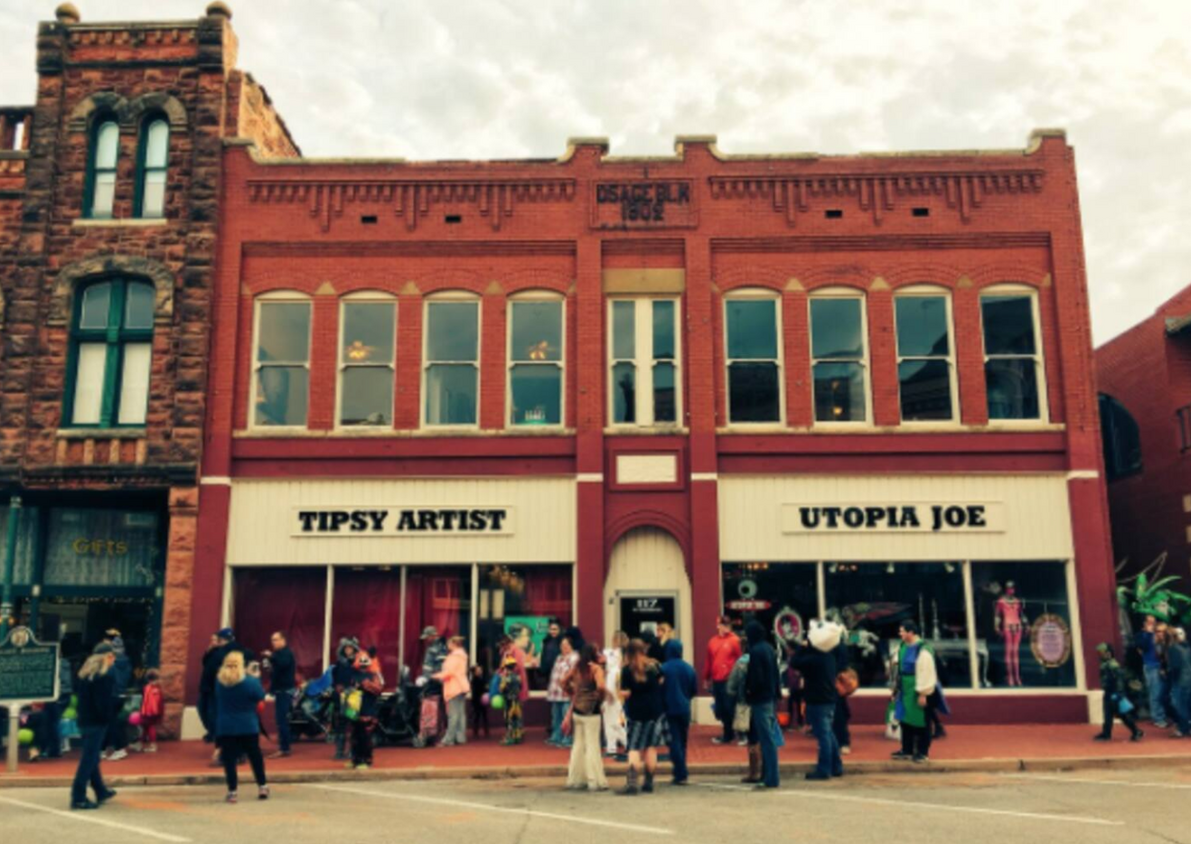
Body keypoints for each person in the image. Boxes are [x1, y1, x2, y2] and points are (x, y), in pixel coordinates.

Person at [215, 650, 269, 803]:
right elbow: (260, 696)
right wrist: (255, 677)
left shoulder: (219, 682)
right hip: (247, 724)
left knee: (229, 759)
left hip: (226, 725)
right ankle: (262, 786)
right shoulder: (250, 681)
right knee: (255, 756)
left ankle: (232, 791)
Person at [71, 643, 119, 810]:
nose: (114, 659)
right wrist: (108, 718)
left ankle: (100, 790)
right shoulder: (104, 676)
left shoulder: (85, 675)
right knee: (88, 759)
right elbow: (103, 703)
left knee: (92, 757)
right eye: (112, 656)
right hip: (97, 722)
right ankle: (78, 797)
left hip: (84, 720)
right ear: (105, 658)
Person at [792, 620, 842, 781]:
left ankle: (824, 769)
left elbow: (794, 662)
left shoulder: (814, 659)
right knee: (828, 733)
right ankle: (836, 766)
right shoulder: (828, 656)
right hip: (829, 699)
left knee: (823, 735)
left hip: (817, 700)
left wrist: (802, 647)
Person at [618, 639, 668, 795]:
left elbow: (626, 692)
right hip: (654, 709)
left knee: (634, 747)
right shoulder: (654, 666)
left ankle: (632, 783)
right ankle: (648, 782)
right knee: (650, 747)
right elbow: (661, 681)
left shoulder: (627, 670)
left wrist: (622, 693)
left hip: (636, 710)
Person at [563, 643, 609, 791]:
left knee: (578, 745)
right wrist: (600, 697)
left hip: (577, 710)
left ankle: (575, 779)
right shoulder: (596, 669)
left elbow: (563, 681)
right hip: (592, 711)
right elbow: (601, 686)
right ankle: (594, 780)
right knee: (592, 746)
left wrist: (571, 693)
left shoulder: (577, 667)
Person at [892, 621, 938, 762]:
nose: (900, 634)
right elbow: (897, 664)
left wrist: (923, 693)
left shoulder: (923, 650)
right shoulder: (902, 646)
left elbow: (926, 671)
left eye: (903, 631)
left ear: (911, 632)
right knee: (905, 720)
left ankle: (923, 752)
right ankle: (907, 749)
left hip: (918, 688)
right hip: (905, 689)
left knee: (922, 722)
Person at [743, 620, 781, 789]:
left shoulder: (756, 651)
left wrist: (749, 692)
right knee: (768, 738)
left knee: (766, 740)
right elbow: (776, 674)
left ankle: (771, 778)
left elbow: (756, 677)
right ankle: (767, 775)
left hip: (761, 699)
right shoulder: (769, 649)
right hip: (770, 697)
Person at [660, 639, 696, 785]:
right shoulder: (689, 669)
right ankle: (680, 769)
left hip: (669, 707)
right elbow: (693, 690)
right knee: (682, 740)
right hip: (684, 707)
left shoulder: (664, 668)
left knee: (673, 740)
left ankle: (680, 771)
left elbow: (659, 689)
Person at [1094, 642, 1144, 742]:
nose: (1101, 654)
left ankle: (1136, 731)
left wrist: (1119, 693)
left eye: (1103, 652)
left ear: (1109, 653)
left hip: (1114, 692)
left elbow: (1119, 680)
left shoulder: (1113, 665)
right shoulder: (1105, 664)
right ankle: (1106, 733)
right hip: (1109, 692)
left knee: (1122, 714)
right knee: (1108, 714)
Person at [705, 616, 743, 745]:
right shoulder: (712, 641)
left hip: (730, 680)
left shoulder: (735, 640)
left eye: (728, 625)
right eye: (724, 624)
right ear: (718, 625)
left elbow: (741, 659)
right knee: (720, 709)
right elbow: (709, 661)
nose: (726, 627)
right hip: (717, 679)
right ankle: (730, 731)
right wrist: (706, 677)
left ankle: (730, 734)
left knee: (729, 707)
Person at [348, 649, 383, 769]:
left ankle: (366, 760)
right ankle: (355, 759)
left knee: (366, 736)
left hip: (368, 710)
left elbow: (378, 689)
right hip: (355, 711)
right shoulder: (353, 675)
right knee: (355, 736)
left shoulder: (374, 675)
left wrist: (366, 685)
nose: (363, 664)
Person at [263, 631, 296, 758]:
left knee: (282, 720)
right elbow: (276, 672)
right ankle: (283, 746)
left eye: (276, 639)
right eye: (272, 640)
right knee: (280, 720)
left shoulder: (286, 653)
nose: (274, 642)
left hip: (285, 691)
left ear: (283, 640)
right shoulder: (277, 654)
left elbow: (283, 663)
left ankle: (285, 748)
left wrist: (271, 657)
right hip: (279, 690)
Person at [101, 630, 131, 762]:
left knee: (110, 723)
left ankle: (119, 748)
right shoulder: (126, 662)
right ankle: (106, 748)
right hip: (121, 694)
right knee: (113, 722)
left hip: (111, 695)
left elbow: (108, 678)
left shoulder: (111, 664)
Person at [434, 636, 469, 746]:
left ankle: (449, 739)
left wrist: (435, 676)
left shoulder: (454, 657)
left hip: (454, 687)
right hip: (462, 686)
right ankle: (460, 737)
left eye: (449, 644)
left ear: (454, 644)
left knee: (453, 715)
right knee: (460, 714)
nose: (448, 646)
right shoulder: (462, 655)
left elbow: (449, 672)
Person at [1135, 615, 1168, 727]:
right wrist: (1148, 634)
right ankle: (1158, 718)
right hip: (1151, 666)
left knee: (1163, 692)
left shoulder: (1158, 635)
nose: (1152, 625)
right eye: (1149, 622)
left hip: (1161, 666)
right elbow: (1141, 647)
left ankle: (1163, 715)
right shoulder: (1142, 635)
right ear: (1144, 624)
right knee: (1155, 693)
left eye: (1153, 622)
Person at [330, 637, 360, 760]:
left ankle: (353, 751)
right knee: (340, 725)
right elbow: (333, 680)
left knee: (354, 724)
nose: (348, 650)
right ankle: (339, 751)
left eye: (350, 648)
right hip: (340, 698)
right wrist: (336, 688)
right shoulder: (338, 664)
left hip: (352, 699)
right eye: (346, 648)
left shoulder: (358, 663)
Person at [547, 636, 579, 747]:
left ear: (571, 646)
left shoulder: (575, 657)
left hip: (567, 693)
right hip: (555, 693)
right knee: (556, 717)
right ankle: (556, 737)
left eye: (566, 645)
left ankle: (567, 739)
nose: (564, 647)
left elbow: (574, 674)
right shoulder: (559, 657)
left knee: (566, 716)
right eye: (562, 645)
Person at [602, 631, 628, 757]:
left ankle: (620, 744)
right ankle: (615, 746)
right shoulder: (621, 667)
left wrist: (608, 695)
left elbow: (612, 683)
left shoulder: (614, 668)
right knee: (618, 720)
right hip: (618, 696)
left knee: (612, 721)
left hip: (613, 695)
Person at [1163, 628, 1190, 737]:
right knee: (1187, 704)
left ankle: (1183, 728)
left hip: (1180, 680)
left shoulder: (1173, 648)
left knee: (1179, 705)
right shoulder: (1187, 647)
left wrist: (1171, 678)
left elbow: (1175, 667)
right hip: (1189, 679)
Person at [725, 638, 751, 747]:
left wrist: (730, 691)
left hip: (743, 693)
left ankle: (743, 736)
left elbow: (733, 680)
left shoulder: (741, 662)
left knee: (742, 713)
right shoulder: (761, 657)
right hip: (758, 695)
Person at [198, 633, 223, 743]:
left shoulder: (221, 653)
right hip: (205, 686)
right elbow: (204, 663)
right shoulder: (210, 652)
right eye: (211, 639)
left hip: (213, 687)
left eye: (214, 639)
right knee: (201, 708)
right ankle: (211, 730)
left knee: (211, 711)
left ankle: (213, 733)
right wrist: (207, 652)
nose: (212, 641)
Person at [498, 654, 525, 745]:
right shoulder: (518, 677)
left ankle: (509, 738)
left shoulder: (506, 678)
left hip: (509, 702)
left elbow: (501, 689)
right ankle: (518, 737)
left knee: (509, 719)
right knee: (517, 719)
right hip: (517, 701)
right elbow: (520, 687)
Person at [137, 669, 164, 753]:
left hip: (148, 712)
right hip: (156, 711)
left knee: (148, 727)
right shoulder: (158, 688)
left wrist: (143, 711)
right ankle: (142, 743)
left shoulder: (147, 688)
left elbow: (146, 701)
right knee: (147, 727)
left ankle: (151, 745)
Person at [469, 663, 490, 740]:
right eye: (478, 670)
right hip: (477, 700)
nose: (480, 671)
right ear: (475, 672)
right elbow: (477, 690)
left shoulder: (482, 678)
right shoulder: (474, 680)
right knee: (477, 716)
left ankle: (486, 730)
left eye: (480, 670)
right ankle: (475, 731)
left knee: (484, 716)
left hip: (483, 700)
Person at [539, 620, 563, 685]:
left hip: (559, 671)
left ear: (559, 630)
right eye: (551, 629)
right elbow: (543, 655)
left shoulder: (562, 641)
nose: (553, 631)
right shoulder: (546, 641)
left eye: (555, 629)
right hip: (547, 671)